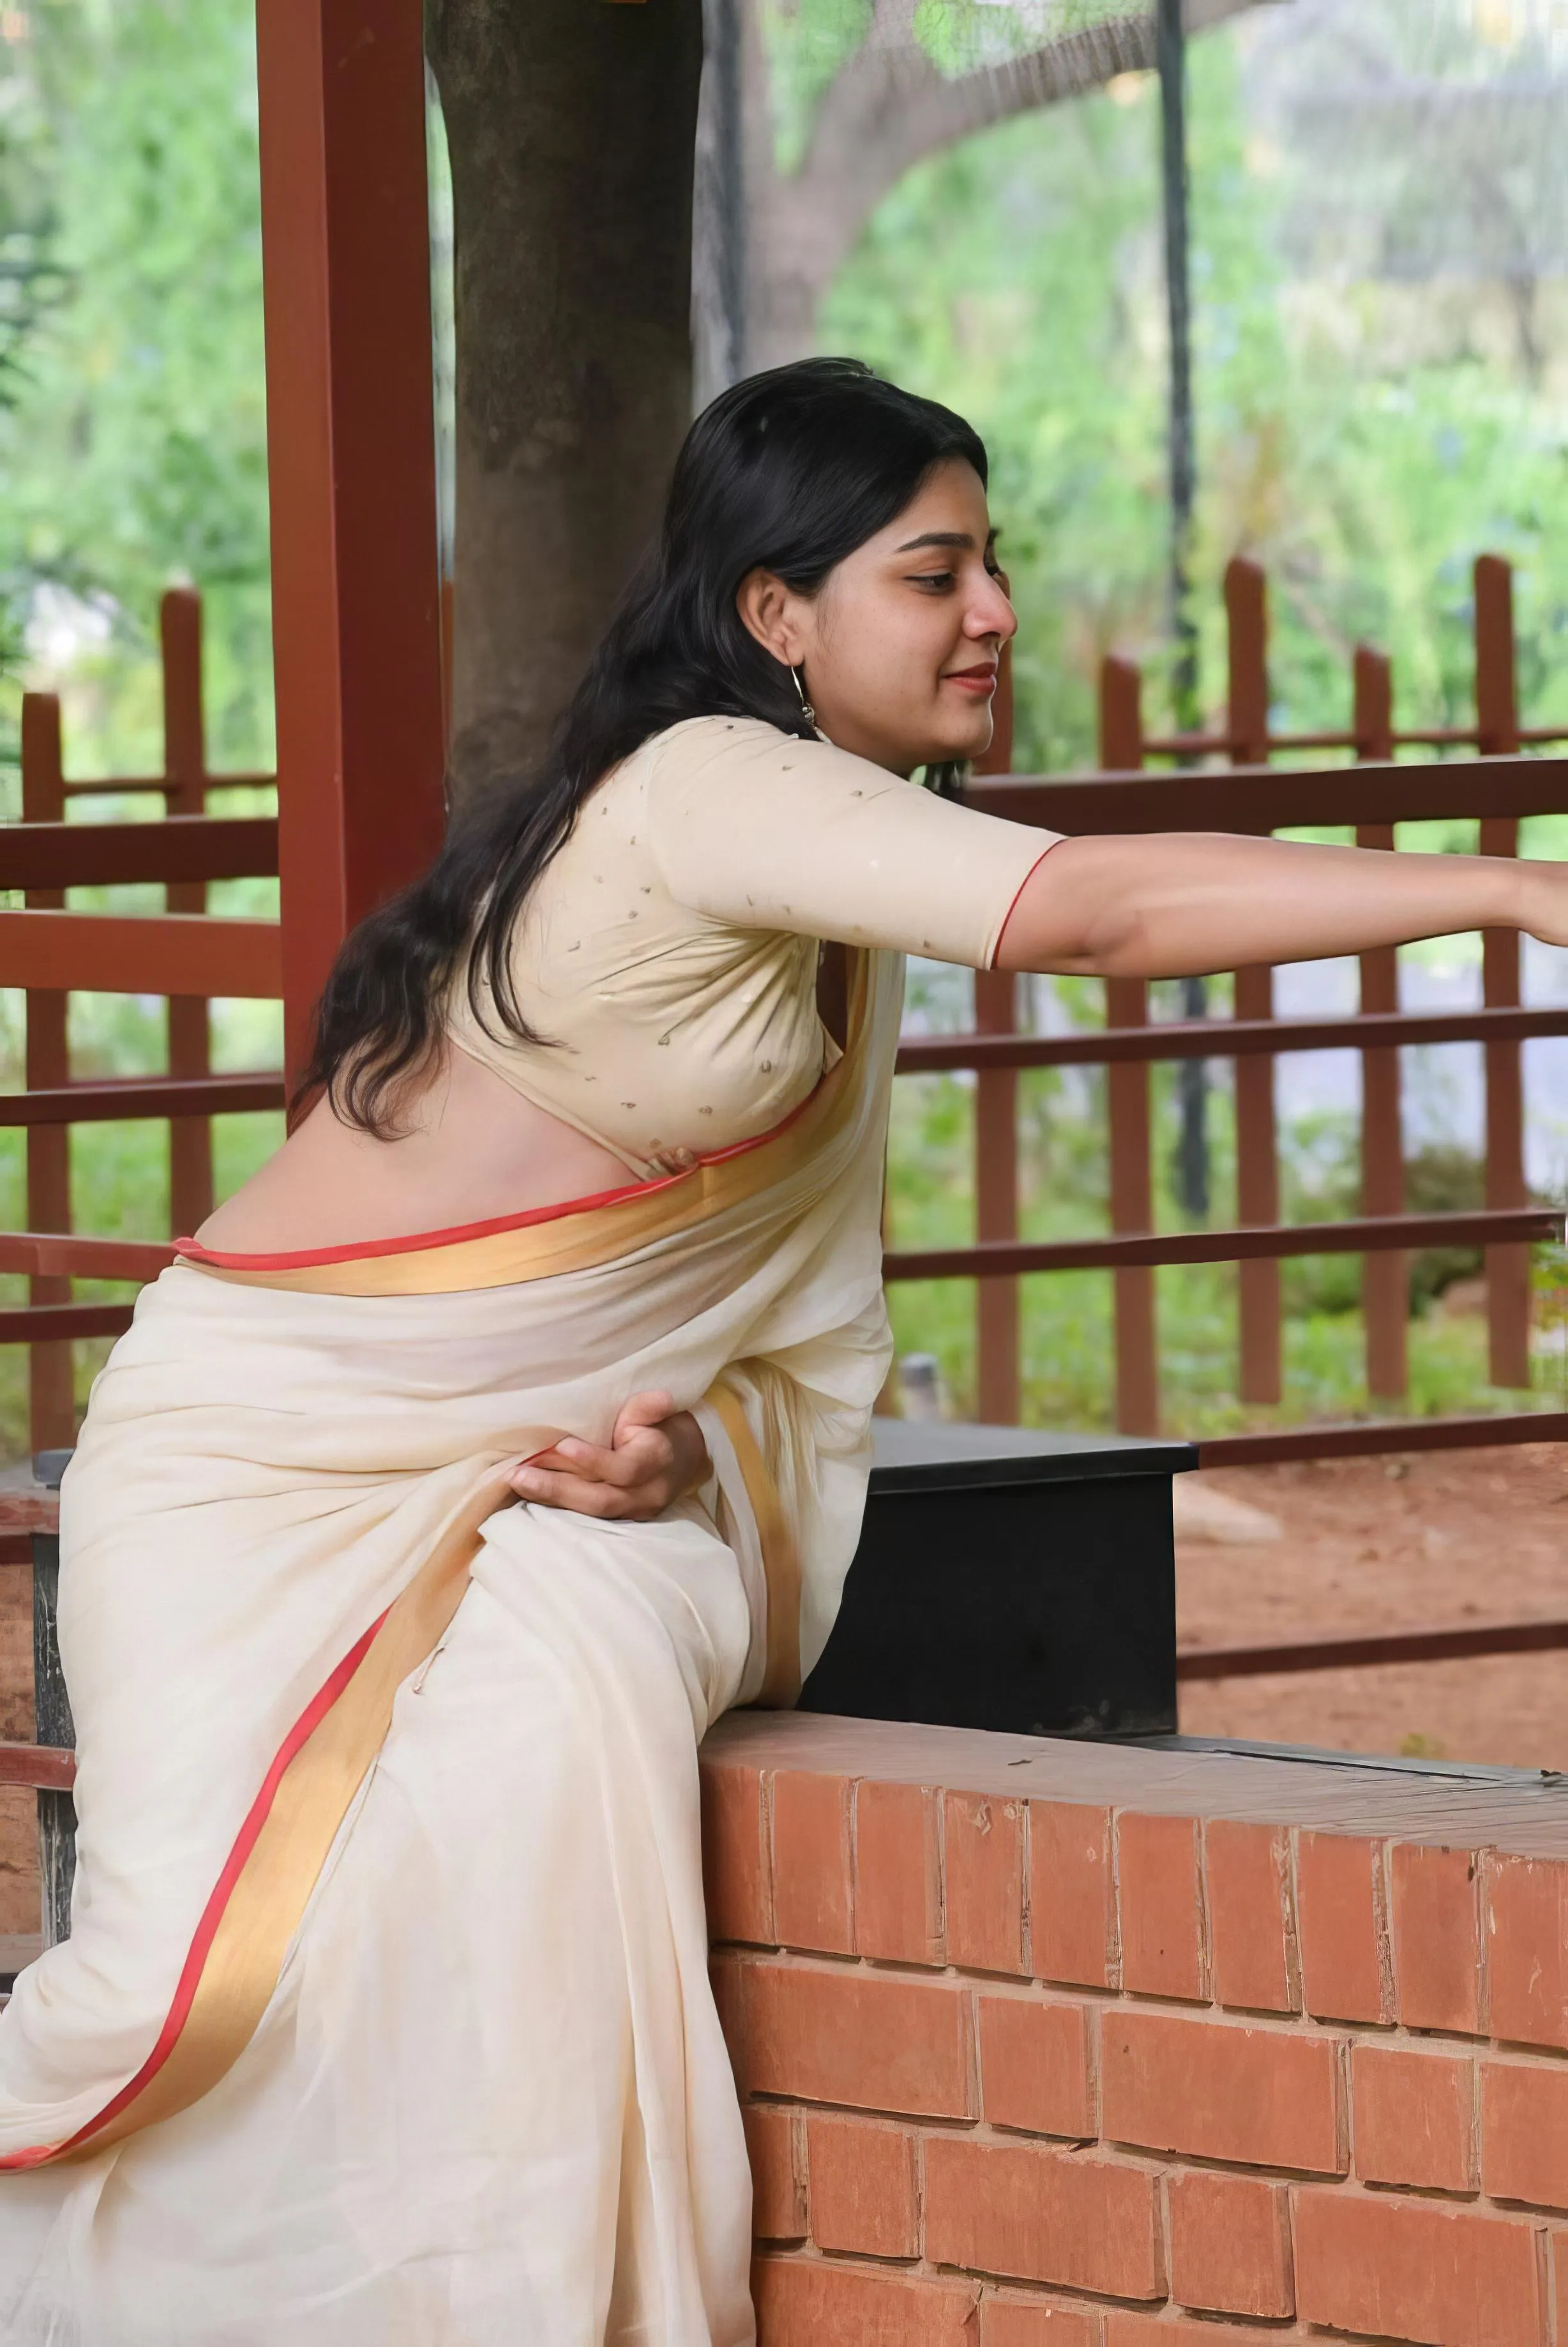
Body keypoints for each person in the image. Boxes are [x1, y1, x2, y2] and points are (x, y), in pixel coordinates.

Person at [2, 357, 1564, 2343]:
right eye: (935, 571)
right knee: (184, 2006)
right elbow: (1084, 917)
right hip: (255, 1476)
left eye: (990, 561)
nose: (993, 611)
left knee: (572, 1666)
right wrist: (1512, 887)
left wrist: (681, 1458)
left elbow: (750, 1310)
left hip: (494, 1474)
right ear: (776, 613)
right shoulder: (710, 790)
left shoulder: (824, 843)